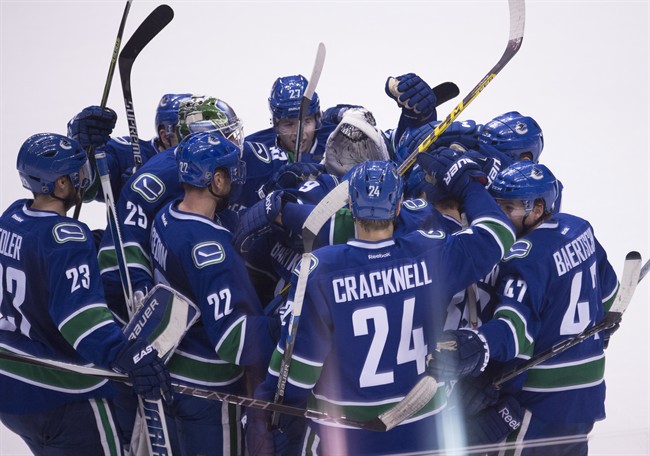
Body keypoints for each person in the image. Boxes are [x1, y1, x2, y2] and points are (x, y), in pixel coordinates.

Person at [245, 154, 516, 455]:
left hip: (345, 436)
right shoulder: (431, 251)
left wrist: (269, 407)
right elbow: (499, 233)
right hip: (426, 431)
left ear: (350, 207)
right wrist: (467, 185)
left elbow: (298, 372)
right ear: (398, 207)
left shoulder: (321, 270)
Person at [427, 160, 619, 455]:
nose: (504, 216)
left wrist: (477, 344)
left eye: (510, 209)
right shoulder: (580, 228)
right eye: (498, 206)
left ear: (538, 209)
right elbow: (609, 291)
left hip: (542, 401)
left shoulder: (523, 258)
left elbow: (514, 330)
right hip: (587, 394)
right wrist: (604, 323)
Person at [0, 133, 173, 455]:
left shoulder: (10, 218)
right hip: (59, 391)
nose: (84, 180)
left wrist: (90, 244)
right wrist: (125, 354)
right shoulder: (67, 238)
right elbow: (79, 318)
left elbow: (36, 259)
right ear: (61, 185)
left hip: (10, 388)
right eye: (78, 174)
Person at [148, 131, 279, 455]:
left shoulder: (165, 215)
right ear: (216, 180)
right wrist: (284, 321)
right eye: (231, 173)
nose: (237, 180)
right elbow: (233, 340)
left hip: (174, 373)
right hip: (210, 391)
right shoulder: (211, 250)